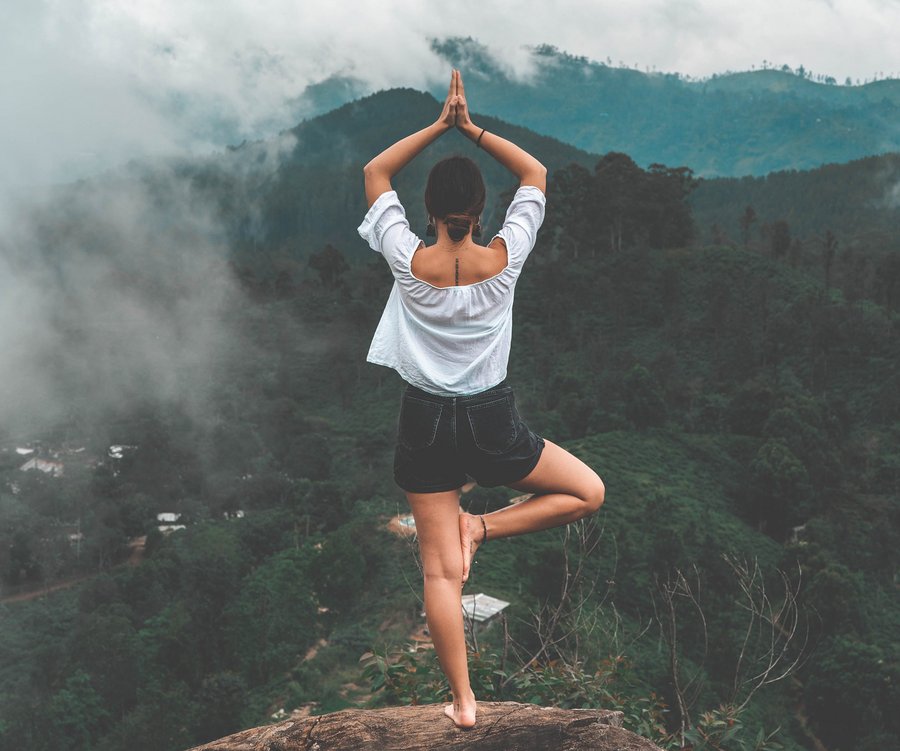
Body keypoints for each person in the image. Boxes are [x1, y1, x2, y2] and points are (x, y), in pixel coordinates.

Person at [358, 70, 605, 730]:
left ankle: (464, 702)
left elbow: (376, 172)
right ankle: (486, 525)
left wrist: (438, 125)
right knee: (588, 492)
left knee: (442, 577)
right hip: (493, 422)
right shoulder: (507, 254)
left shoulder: (407, 260)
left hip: (424, 423)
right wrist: (473, 128)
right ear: (481, 210)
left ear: (431, 212)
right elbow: (537, 174)